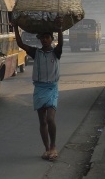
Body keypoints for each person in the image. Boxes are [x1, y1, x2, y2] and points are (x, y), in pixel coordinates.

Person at [13, 17, 63, 161]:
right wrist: (16, 27)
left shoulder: (56, 52)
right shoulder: (36, 53)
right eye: (43, 38)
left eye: (47, 37)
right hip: (39, 89)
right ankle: (47, 149)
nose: (45, 40)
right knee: (42, 121)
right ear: (40, 39)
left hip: (52, 88)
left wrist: (59, 28)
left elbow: (61, 44)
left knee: (50, 118)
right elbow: (20, 43)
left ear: (51, 39)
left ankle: (53, 146)